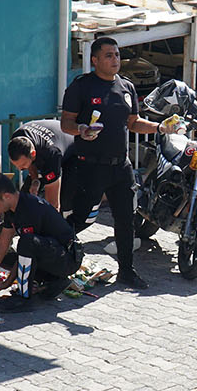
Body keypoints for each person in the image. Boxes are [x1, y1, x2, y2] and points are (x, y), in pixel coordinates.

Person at [60, 37, 176, 290]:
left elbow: (133, 123)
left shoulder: (127, 87)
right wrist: (81, 129)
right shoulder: (82, 86)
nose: (115, 60)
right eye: (109, 55)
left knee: (126, 219)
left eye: (117, 55)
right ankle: (54, 256)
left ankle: (127, 271)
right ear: (95, 60)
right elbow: (65, 123)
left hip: (120, 166)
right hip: (90, 166)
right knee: (81, 219)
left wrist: (160, 127)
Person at [0, 173, 82, 312]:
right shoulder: (11, 208)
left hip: (67, 259)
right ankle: (53, 282)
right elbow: (3, 243)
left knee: (26, 242)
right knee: (4, 254)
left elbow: (28, 249)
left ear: (6, 196)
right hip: (50, 254)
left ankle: (24, 298)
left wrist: (5, 284)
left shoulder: (30, 208)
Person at [8, 119, 73, 210]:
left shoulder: (51, 154)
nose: (19, 169)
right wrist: (35, 180)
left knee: (64, 200)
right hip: (47, 141)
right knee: (25, 197)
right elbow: (30, 162)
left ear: (33, 154)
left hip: (72, 151)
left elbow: (53, 203)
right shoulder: (17, 138)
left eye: (23, 165)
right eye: (15, 165)